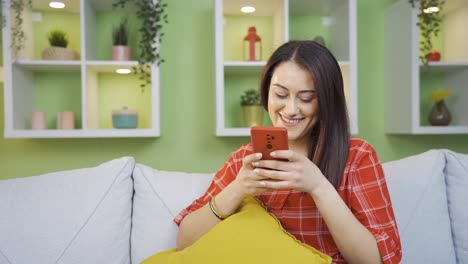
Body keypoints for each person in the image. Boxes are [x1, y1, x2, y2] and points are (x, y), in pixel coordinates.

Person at [174, 40, 402, 263]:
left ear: (326, 101)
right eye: (281, 95)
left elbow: (378, 260)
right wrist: (237, 189)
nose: (291, 110)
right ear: (266, 93)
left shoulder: (357, 157)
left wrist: (318, 186)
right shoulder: (244, 160)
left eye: (306, 98)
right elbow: (185, 241)